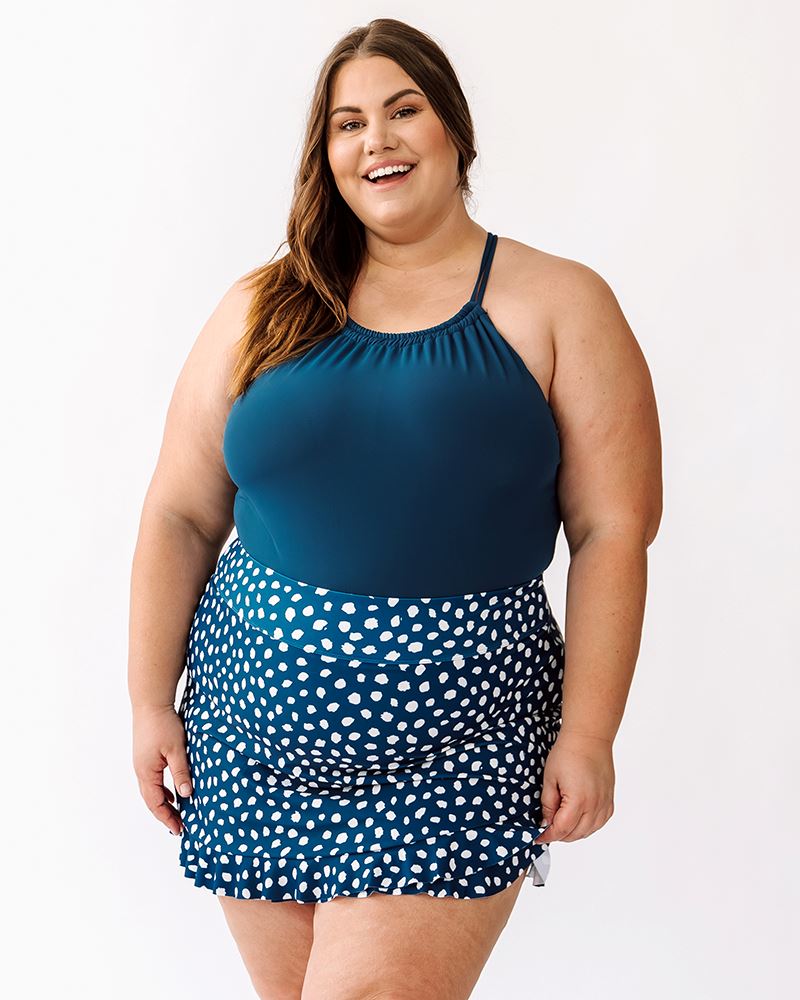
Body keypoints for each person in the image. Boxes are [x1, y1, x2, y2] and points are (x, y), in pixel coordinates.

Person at [128, 17, 662, 1000]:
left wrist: (588, 733)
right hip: (248, 742)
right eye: (346, 123)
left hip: (453, 750)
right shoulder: (264, 307)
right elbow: (179, 512)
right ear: (323, 154)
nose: (375, 140)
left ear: (452, 128)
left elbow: (611, 529)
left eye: (402, 110)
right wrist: (148, 700)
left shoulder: (558, 302)